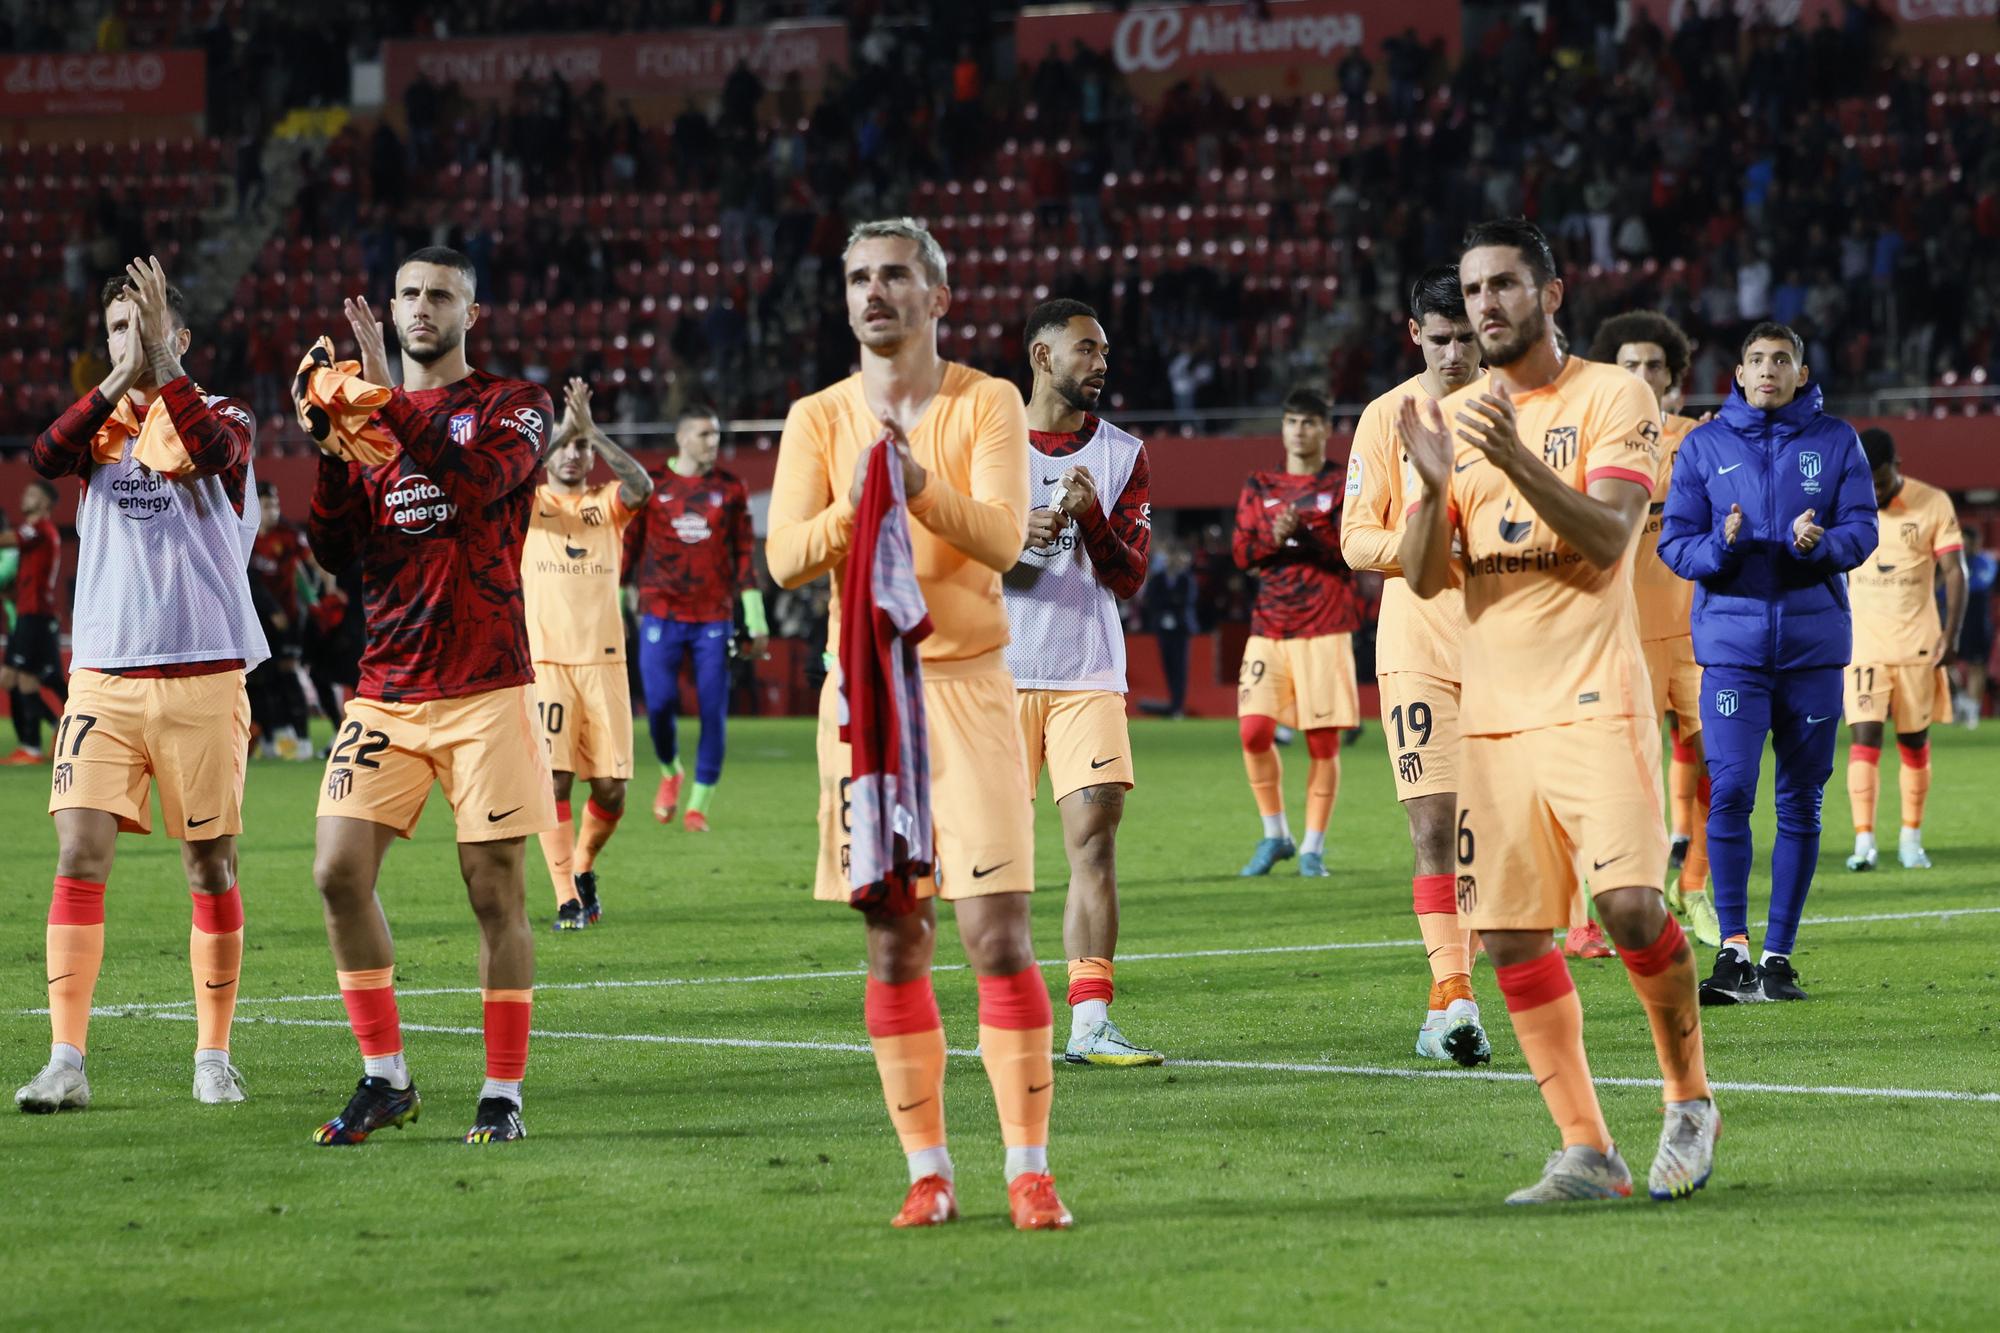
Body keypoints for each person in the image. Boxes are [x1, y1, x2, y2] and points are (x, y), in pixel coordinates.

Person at [1399, 219, 1716, 1204]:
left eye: (1502, 285)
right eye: (1471, 289)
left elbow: (1609, 538)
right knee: (1507, 938)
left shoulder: (1612, 396)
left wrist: (1516, 461)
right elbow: (1422, 578)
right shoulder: (1458, 419)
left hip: (1591, 698)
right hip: (1488, 713)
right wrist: (1431, 485)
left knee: (1626, 907)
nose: (1483, 305)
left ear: (1550, 292)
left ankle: (1687, 1099)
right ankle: (1587, 1149)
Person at [767, 217, 1071, 1230]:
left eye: (895, 275)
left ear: (937, 296)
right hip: (862, 699)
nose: (874, 292)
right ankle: (928, 1171)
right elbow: (781, 560)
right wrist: (863, 498)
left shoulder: (985, 401)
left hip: (970, 687)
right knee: (895, 936)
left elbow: (999, 541)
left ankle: (1027, 1167)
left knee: (996, 932)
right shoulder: (816, 416)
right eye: (857, 276)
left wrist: (917, 482)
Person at [304, 247, 556, 1146]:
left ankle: (502, 1091)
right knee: (336, 871)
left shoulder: (516, 406)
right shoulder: (376, 418)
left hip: (488, 685)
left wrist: (387, 408)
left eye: (439, 295)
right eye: (407, 293)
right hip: (388, 685)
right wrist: (339, 445)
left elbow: (477, 484)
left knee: (494, 890)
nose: (419, 307)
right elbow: (334, 547)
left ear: (471, 313)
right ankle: (386, 1077)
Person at [15, 257, 266, 1113]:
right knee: (79, 853)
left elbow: (210, 453)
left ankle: (212, 1054)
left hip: (202, 671)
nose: (131, 339)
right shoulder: (97, 430)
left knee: (208, 866)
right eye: (118, 328)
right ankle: (66, 1058)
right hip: (103, 677)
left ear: (181, 338)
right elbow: (43, 456)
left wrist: (160, 368)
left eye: (148, 325)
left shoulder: (225, 415)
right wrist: (123, 374)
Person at [1659, 321, 1876, 1005]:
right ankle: (1732, 950)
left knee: (1801, 802)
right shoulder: (1704, 445)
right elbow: (1676, 543)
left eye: (1782, 359)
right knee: (1729, 791)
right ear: (1740, 373)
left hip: (1813, 651)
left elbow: (1862, 529)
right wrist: (1720, 549)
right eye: (1757, 360)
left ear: (1802, 373)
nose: (1769, 370)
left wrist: (1819, 543)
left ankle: (1779, 955)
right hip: (1732, 651)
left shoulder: (1837, 440)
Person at [1338, 264, 1491, 1064]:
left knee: (1489, 839)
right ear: (1415, 336)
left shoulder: (1515, 412)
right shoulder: (1383, 416)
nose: (1458, 353)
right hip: (1417, 649)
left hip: (1507, 648)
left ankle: (1454, 998)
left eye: (1468, 337)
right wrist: (1426, 546)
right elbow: (1354, 536)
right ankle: (1455, 996)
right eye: (1442, 339)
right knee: (1434, 824)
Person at [1004, 297, 1161, 1067]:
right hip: (994, 676)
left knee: (1093, 845)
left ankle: (1091, 1021)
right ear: (1042, 357)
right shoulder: (985, 448)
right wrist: (1009, 532)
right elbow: (944, 551)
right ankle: (999, 1011)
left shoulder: (1123, 452)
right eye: (1086, 350)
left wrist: (1093, 517)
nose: (1102, 362)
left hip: (1086, 677)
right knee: (991, 858)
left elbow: (1129, 575)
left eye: (1104, 351)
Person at [1591, 310, 1721, 947]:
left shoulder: (1703, 440)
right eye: (1628, 365)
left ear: (1673, 376)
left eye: (1653, 366)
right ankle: (1603, 910)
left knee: (1715, 765)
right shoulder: (1588, 441)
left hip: (1697, 631)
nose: (1642, 375)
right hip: (1623, 634)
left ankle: (1693, 886)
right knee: (1619, 778)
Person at [526, 377, 652, 930]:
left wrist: (592, 431)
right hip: (548, 662)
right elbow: (520, 470)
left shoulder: (607, 504)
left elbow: (642, 485)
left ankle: (582, 868)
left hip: (605, 665)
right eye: (567, 445)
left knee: (612, 790)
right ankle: (565, 899)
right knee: (553, 780)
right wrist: (564, 431)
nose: (574, 455)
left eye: (581, 449)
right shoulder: (528, 502)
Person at [1231, 388, 1361, 878]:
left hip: (1326, 624)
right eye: (1291, 421)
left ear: (1326, 429)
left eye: (1309, 422)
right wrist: (1273, 534)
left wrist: (1303, 533)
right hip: (1270, 624)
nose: (1299, 430)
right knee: (1253, 731)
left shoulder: (1342, 482)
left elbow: (1351, 551)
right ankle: (1275, 835)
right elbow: (1242, 554)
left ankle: (1311, 848)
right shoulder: (1259, 484)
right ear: (1282, 428)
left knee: (1321, 744)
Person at [625, 403, 767, 831]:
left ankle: (698, 806)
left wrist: (755, 617)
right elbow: (628, 547)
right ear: (683, 437)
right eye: (705, 435)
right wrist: (615, 605)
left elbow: (744, 553)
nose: (714, 443)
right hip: (661, 613)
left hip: (712, 617)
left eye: (717, 435)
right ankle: (671, 771)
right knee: (661, 705)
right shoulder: (652, 484)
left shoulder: (731, 487)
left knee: (713, 710)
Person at [1841, 428, 1965, 872]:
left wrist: (1951, 637)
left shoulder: (1932, 503)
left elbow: (1954, 571)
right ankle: (1864, 843)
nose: (1874, 490)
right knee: (1865, 738)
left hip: (1917, 646)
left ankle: (1911, 839)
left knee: (1913, 742)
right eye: (1867, 481)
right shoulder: (1846, 501)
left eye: (1881, 480)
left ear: (1898, 465)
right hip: (1864, 647)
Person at [247, 479, 319, 759]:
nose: (272, 510)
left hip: (288, 618)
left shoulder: (288, 535)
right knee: (262, 680)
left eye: (275, 504)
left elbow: (309, 564)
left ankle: (301, 739)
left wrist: (320, 593)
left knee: (289, 675)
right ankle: (272, 738)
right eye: (266, 505)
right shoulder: (248, 537)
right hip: (259, 622)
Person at [0, 479, 69, 763]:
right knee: (10, 677)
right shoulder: (36, 535)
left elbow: (8, 540)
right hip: (29, 614)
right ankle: (52, 727)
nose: (25, 497)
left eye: (32, 494)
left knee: (27, 678)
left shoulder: (40, 529)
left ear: (45, 503)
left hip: (36, 615)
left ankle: (32, 746)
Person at [1141, 543, 1197, 718]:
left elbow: (1188, 600)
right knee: (1168, 666)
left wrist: (1168, 603)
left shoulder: (1186, 579)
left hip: (1181, 629)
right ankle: (1173, 703)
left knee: (1180, 668)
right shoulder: (1158, 578)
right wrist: (1170, 603)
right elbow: (1151, 599)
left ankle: (1177, 707)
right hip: (1163, 629)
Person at [1958, 525, 1995, 726]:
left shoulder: (1985, 562)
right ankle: (1960, 700)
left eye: (1968, 542)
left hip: (1978, 622)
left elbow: (1981, 584)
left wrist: (1956, 581)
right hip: (1954, 621)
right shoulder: (1953, 562)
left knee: (1977, 667)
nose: (1964, 546)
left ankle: (1972, 710)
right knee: (1944, 665)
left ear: (1976, 543)